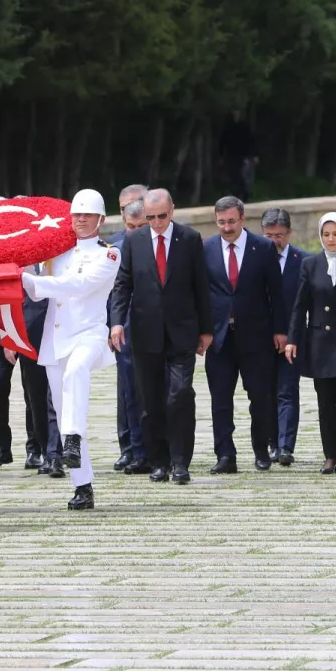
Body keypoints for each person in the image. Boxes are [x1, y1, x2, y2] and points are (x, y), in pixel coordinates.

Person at [17, 189, 120, 509]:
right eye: (77, 215)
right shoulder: (57, 252)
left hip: (89, 333)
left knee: (77, 374)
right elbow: (37, 294)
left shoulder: (109, 255)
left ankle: (72, 438)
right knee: (63, 411)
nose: (81, 220)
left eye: (87, 215)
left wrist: (32, 281)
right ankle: (83, 486)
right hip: (56, 338)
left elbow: (79, 286)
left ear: (101, 220)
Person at [108, 188, 213, 484]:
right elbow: (122, 285)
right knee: (150, 402)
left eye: (161, 216)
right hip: (145, 332)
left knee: (180, 395)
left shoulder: (189, 239)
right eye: (150, 217)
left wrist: (206, 329)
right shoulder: (133, 241)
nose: (155, 222)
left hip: (182, 332)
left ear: (173, 210)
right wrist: (116, 323)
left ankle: (181, 462)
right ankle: (159, 461)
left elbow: (200, 287)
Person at [203, 196, 287, 473]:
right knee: (220, 400)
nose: (227, 227)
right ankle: (225, 454)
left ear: (242, 219)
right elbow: (200, 294)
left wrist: (280, 330)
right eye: (221, 222)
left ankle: (261, 449)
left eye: (231, 221)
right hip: (219, 338)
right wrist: (201, 332)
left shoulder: (262, 247)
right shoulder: (206, 249)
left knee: (261, 397)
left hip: (256, 336)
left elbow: (276, 292)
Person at [284, 213, 336, 474]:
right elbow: (300, 306)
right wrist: (293, 339)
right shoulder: (310, 264)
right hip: (320, 340)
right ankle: (330, 454)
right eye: (327, 234)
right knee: (325, 400)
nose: (331, 239)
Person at [0, 261, 54, 473]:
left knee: (34, 391)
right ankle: (0, 447)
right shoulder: (5, 254)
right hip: (5, 329)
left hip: (36, 329)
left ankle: (36, 449)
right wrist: (8, 339)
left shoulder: (48, 258)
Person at [260, 208, 306, 464]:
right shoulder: (255, 258)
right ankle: (271, 441)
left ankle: (286, 446)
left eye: (279, 235)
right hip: (260, 337)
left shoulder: (303, 260)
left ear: (288, 233)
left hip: (293, 337)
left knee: (287, 390)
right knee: (265, 391)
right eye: (269, 235)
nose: (275, 240)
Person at [109, 195, 149, 472]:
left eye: (140, 226)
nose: (135, 232)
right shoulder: (115, 250)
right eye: (130, 227)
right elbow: (112, 294)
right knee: (130, 394)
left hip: (157, 329)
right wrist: (112, 324)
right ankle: (135, 450)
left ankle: (157, 448)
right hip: (125, 330)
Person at [219, 111, 258, 200]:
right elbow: (222, 142)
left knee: (244, 174)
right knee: (234, 175)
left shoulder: (244, 127)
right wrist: (221, 155)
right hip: (232, 155)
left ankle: (245, 194)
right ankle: (236, 194)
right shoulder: (228, 128)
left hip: (244, 154)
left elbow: (251, 140)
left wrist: (255, 154)